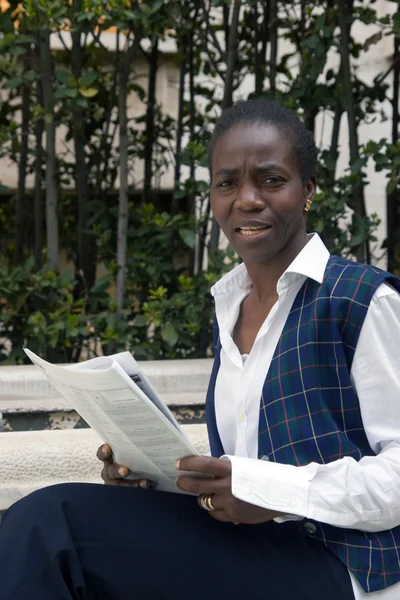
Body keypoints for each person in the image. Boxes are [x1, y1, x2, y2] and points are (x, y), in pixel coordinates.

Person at [0, 98, 400, 600]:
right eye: (227, 183)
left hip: (343, 568)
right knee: (52, 531)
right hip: (253, 548)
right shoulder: (229, 306)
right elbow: (249, 465)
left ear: (308, 191)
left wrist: (267, 493)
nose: (246, 199)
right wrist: (158, 478)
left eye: (271, 180)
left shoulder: (362, 299)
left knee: (50, 524)